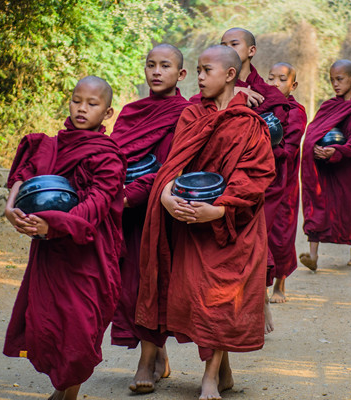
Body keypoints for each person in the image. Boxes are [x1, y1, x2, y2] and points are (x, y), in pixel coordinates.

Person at [135, 45, 275, 400]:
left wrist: (221, 210)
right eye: (196, 70)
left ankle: (210, 377)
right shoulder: (192, 115)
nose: (198, 78)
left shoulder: (250, 123)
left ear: (230, 75)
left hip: (235, 223)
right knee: (200, 296)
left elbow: (255, 176)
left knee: (222, 299)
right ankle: (222, 370)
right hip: (193, 220)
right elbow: (174, 163)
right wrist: (166, 195)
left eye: (205, 71)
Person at [3, 76, 126, 400]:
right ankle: (64, 393)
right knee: (49, 323)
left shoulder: (108, 155)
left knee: (81, 331)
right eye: (76, 100)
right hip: (52, 253)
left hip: (90, 254)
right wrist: (10, 205)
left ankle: (66, 395)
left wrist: (53, 225)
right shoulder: (52, 145)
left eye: (92, 103)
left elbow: (96, 204)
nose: (81, 108)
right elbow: (26, 173)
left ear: (108, 112)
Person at [109, 44, 190, 394]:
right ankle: (157, 352)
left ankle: (146, 360)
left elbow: (178, 163)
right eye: (151, 65)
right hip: (127, 212)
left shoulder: (188, 113)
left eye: (166, 66)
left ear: (181, 74)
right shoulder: (131, 112)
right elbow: (112, 158)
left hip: (163, 209)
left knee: (155, 283)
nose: (157, 72)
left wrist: (136, 194)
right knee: (129, 286)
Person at [217, 27, 291, 333]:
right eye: (222, 45)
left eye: (234, 44)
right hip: (221, 177)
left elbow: (279, 139)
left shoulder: (268, 94)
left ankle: (259, 299)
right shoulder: (216, 85)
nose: (228, 49)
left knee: (258, 240)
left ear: (251, 51)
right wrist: (232, 96)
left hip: (260, 179)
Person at [299, 60, 351, 269]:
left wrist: (339, 151)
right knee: (317, 203)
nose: (335, 84)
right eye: (332, 80)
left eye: (339, 79)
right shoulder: (328, 106)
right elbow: (313, 132)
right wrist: (313, 148)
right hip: (327, 167)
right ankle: (313, 256)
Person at [266, 62, 307, 303]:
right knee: (260, 232)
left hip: (283, 179)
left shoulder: (296, 111)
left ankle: (280, 283)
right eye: (271, 78)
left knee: (281, 233)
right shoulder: (260, 106)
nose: (274, 83)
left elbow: (289, 149)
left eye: (281, 79)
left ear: (293, 85)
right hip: (259, 179)